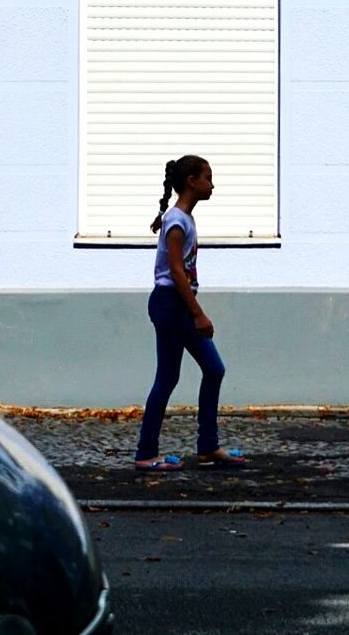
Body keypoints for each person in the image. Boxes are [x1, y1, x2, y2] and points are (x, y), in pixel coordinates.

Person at [133, 155, 247, 471]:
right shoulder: (177, 222)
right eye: (208, 178)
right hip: (171, 304)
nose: (213, 184)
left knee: (214, 369)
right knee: (168, 377)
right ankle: (146, 453)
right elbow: (175, 271)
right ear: (191, 182)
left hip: (178, 304)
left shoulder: (184, 219)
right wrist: (198, 314)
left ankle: (208, 447)